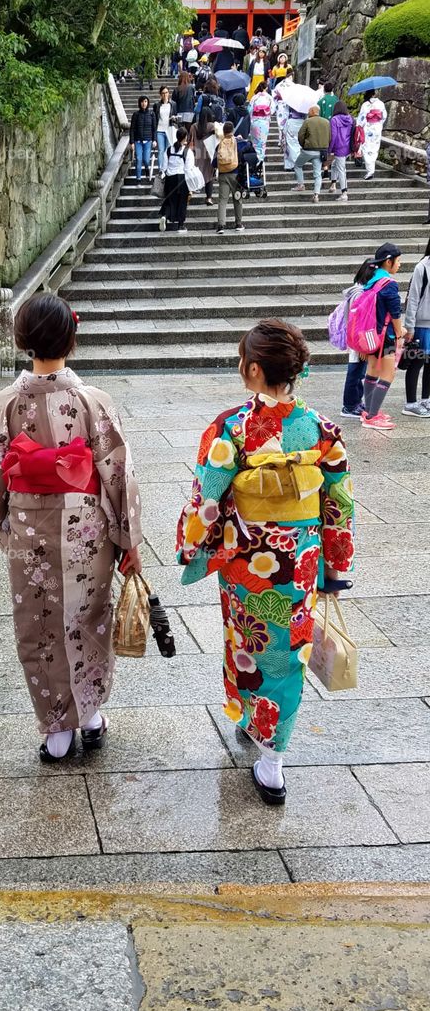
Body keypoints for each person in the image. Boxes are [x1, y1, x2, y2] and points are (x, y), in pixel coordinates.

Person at [0, 294, 143, 761]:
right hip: (87, 534)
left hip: (28, 533)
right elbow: (118, 474)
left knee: (38, 626)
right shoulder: (94, 402)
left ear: (21, 341)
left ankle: (57, 732)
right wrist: (129, 540)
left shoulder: (8, 403)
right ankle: (91, 715)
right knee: (87, 617)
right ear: (72, 341)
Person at [176, 319, 355, 805]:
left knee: (249, 642)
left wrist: (190, 545)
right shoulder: (322, 430)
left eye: (241, 360)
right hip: (297, 566)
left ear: (253, 370)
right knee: (286, 648)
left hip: (247, 563)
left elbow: (206, 501)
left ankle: (270, 755)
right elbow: (338, 505)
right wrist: (337, 567)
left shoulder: (231, 428)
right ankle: (257, 727)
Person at [359, 242, 407, 430]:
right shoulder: (389, 284)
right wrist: (399, 332)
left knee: (372, 371)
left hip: (370, 335)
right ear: (389, 261)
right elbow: (395, 313)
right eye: (398, 261)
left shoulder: (371, 280)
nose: (400, 264)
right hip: (385, 336)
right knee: (388, 373)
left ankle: (369, 411)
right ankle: (372, 416)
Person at [340, 260, 375, 418]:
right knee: (355, 372)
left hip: (356, 338)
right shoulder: (359, 293)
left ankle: (355, 402)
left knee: (358, 371)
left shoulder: (359, 290)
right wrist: (361, 346)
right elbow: (357, 321)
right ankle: (349, 406)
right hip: (357, 340)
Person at [403, 238, 430, 416]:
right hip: (421, 324)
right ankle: (411, 403)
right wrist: (409, 327)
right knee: (417, 362)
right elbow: (413, 299)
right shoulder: (423, 267)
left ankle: (426, 399)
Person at [159, 126, 198, 233]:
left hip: (169, 178)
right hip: (181, 179)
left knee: (170, 200)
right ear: (185, 137)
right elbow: (188, 169)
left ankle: (165, 216)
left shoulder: (168, 150)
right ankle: (180, 225)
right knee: (182, 202)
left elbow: (164, 167)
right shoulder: (187, 151)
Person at [293, 105, 330, 203]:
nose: (308, 113)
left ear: (313, 111)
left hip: (308, 150)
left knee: (297, 165)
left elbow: (301, 135)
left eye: (309, 111)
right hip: (321, 151)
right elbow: (330, 137)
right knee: (317, 174)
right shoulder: (326, 122)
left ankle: (301, 185)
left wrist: (303, 145)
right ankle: (316, 195)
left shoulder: (308, 121)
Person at [216, 121, 245, 236]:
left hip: (223, 174)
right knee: (237, 199)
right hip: (236, 174)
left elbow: (215, 161)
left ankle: (221, 226)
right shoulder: (238, 142)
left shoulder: (220, 143)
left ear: (223, 131)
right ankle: (238, 224)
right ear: (232, 130)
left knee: (222, 201)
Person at [357, 90, 388, 180]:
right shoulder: (381, 104)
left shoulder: (365, 105)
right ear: (374, 94)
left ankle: (370, 171)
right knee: (374, 149)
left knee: (366, 149)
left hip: (368, 129)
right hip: (377, 129)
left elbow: (361, 119)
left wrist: (360, 126)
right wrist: (379, 123)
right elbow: (384, 116)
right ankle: (371, 170)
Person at [328, 101, 354, 202]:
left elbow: (333, 136)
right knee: (335, 164)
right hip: (347, 147)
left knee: (341, 169)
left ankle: (344, 193)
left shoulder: (334, 119)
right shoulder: (350, 119)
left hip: (338, 147)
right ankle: (333, 185)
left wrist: (330, 149)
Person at [129, 95, 156, 182]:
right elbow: (132, 129)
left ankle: (147, 169)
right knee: (139, 159)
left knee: (146, 160)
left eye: (145, 101)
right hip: (138, 141)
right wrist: (132, 142)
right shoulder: (135, 115)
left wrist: (154, 140)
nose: (143, 103)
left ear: (148, 103)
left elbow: (154, 129)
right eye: (142, 102)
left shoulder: (152, 114)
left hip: (148, 141)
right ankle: (138, 178)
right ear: (139, 103)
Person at [249, 82, 272, 164]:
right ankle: (260, 161)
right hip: (264, 122)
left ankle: (255, 161)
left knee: (255, 142)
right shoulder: (269, 98)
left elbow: (250, 110)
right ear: (266, 88)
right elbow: (272, 110)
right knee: (262, 143)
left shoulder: (254, 97)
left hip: (255, 122)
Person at [153, 86, 175, 173]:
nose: (165, 95)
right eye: (163, 93)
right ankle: (161, 169)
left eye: (166, 92)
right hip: (160, 130)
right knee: (161, 150)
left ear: (169, 93)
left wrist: (174, 118)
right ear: (160, 95)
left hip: (169, 129)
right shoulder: (157, 105)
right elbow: (155, 118)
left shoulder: (173, 104)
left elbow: (176, 115)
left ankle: (167, 168)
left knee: (168, 149)